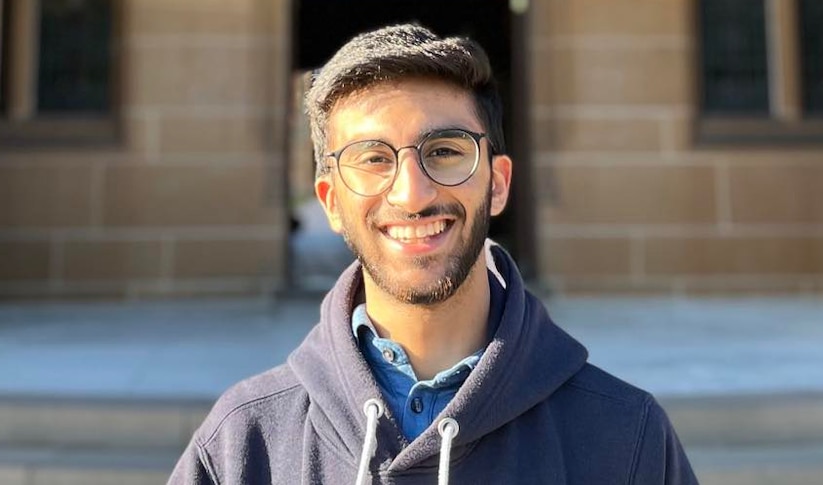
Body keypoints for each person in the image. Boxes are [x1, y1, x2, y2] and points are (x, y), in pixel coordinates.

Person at [168, 24, 698, 485]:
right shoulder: (244, 441)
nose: (411, 195)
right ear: (330, 200)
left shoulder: (625, 437)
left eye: (444, 152)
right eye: (372, 158)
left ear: (497, 183)